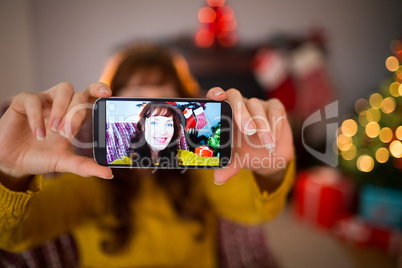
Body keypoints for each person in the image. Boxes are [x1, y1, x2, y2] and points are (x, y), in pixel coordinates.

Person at [0, 44, 295, 267]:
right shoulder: (91, 181)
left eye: (161, 94)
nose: (160, 125)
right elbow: (16, 235)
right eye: (137, 94)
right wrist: (10, 172)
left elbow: (256, 210)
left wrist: (269, 169)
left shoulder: (201, 173)